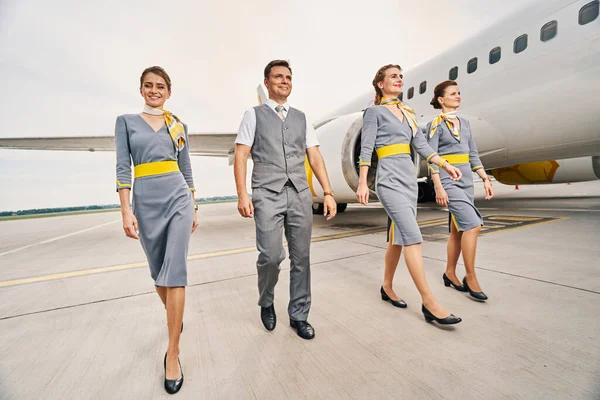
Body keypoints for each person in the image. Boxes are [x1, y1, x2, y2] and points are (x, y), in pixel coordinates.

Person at [234, 60, 336, 340]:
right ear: (266, 82)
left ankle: (299, 314)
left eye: (288, 77)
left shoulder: (302, 118)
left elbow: (314, 155)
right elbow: (241, 155)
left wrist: (327, 192)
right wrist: (243, 194)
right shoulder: (253, 115)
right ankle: (266, 301)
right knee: (270, 255)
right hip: (266, 193)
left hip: (300, 194)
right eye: (278, 77)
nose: (284, 81)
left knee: (302, 257)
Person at [356, 64, 462, 325]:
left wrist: (445, 164)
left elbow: (421, 145)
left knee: (397, 239)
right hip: (389, 181)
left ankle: (387, 286)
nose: (399, 80)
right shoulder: (374, 112)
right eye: (393, 76)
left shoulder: (408, 112)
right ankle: (429, 302)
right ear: (380, 84)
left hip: (408, 181)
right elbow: (367, 147)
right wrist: (361, 182)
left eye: (401, 76)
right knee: (413, 237)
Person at [115, 66, 197, 394]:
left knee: (175, 272)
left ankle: (173, 353)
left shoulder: (178, 125)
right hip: (145, 201)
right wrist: (125, 209)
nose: (154, 90)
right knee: (158, 273)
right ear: (141, 89)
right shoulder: (126, 122)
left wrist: (194, 203)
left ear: (168, 91)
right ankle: (175, 317)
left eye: (160, 86)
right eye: (148, 85)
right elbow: (123, 166)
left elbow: (186, 166)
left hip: (178, 196)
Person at [426, 80, 494, 301]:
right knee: (473, 225)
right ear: (441, 99)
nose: (458, 96)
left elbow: (472, 153)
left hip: (466, 181)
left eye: (459, 93)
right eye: (453, 93)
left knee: (458, 230)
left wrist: (484, 177)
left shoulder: (464, 123)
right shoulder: (434, 124)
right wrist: (438, 186)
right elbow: (431, 159)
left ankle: (449, 272)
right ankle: (471, 277)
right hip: (448, 181)